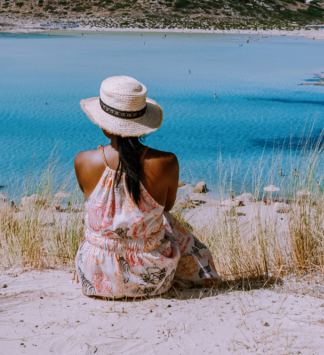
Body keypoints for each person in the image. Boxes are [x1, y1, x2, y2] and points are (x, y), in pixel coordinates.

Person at [73, 75, 220, 299]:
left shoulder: (83, 161)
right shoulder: (167, 162)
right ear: (143, 125)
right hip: (152, 278)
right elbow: (166, 207)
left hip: (95, 276)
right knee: (167, 221)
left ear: (104, 126)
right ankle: (203, 272)